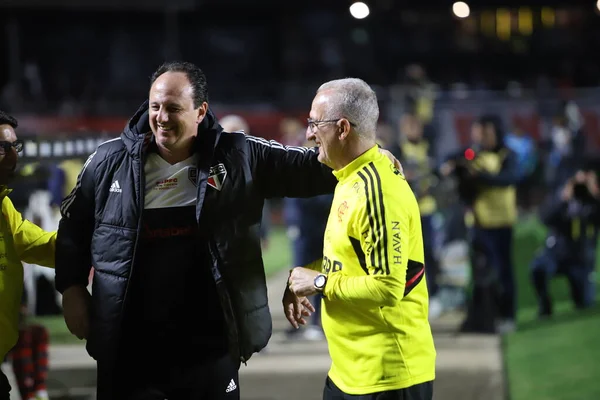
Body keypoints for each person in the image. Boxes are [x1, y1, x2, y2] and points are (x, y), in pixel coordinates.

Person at [55, 61, 401, 400]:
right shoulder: (107, 161)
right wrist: (71, 289)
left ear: (200, 112)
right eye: (155, 106)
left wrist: (373, 156)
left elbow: (313, 166)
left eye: (173, 108)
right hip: (128, 343)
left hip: (209, 342)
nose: (161, 117)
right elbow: (73, 228)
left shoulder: (239, 155)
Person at [285, 78, 435, 400]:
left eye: (314, 123)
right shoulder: (350, 174)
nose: (309, 133)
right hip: (349, 372)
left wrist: (319, 282)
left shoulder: (375, 191)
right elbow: (350, 261)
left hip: (388, 377)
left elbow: (387, 287)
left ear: (342, 129)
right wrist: (301, 278)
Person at [439, 115, 519, 334]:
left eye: (486, 132)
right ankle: (482, 316)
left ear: (495, 132)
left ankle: (508, 316)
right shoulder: (472, 153)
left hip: (502, 222)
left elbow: (510, 178)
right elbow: (447, 161)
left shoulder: (507, 154)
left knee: (504, 272)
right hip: (480, 223)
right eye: (478, 132)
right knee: (479, 273)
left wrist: (479, 176)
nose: (481, 137)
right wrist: (450, 167)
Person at [0, 110, 56, 400]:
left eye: (14, 146)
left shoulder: (3, 206)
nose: (12, 155)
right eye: (1, 147)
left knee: (35, 334)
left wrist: (99, 233)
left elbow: (41, 246)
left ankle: (37, 392)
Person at [530, 167, 599, 317]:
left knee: (585, 303)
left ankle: (579, 293)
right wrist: (564, 198)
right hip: (557, 252)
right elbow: (544, 218)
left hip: (580, 258)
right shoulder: (562, 199)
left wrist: (593, 193)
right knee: (538, 268)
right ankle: (544, 303)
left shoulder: (592, 203)